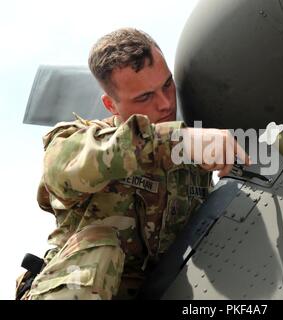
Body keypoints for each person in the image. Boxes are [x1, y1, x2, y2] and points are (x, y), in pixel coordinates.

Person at [16, 28, 249, 300]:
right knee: (99, 247)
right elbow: (67, 169)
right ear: (111, 105)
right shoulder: (77, 143)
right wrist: (179, 141)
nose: (165, 104)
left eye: (167, 85)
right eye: (145, 97)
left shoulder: (193, 167)